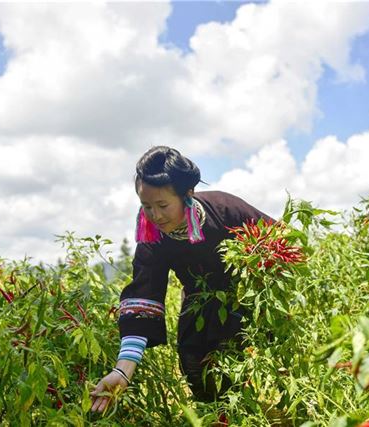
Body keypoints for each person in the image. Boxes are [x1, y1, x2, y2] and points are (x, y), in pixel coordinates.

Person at [90, 146, 273, 411]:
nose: (155, 215)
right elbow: (144, 293)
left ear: (188, 194)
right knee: (198, 375)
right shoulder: (152, 235)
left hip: (245, 305)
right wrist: (122, 371)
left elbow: (276, 243)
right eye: (146, 206)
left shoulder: (226, 209)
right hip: (198, 309)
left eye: (162, 205)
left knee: (243, 380)